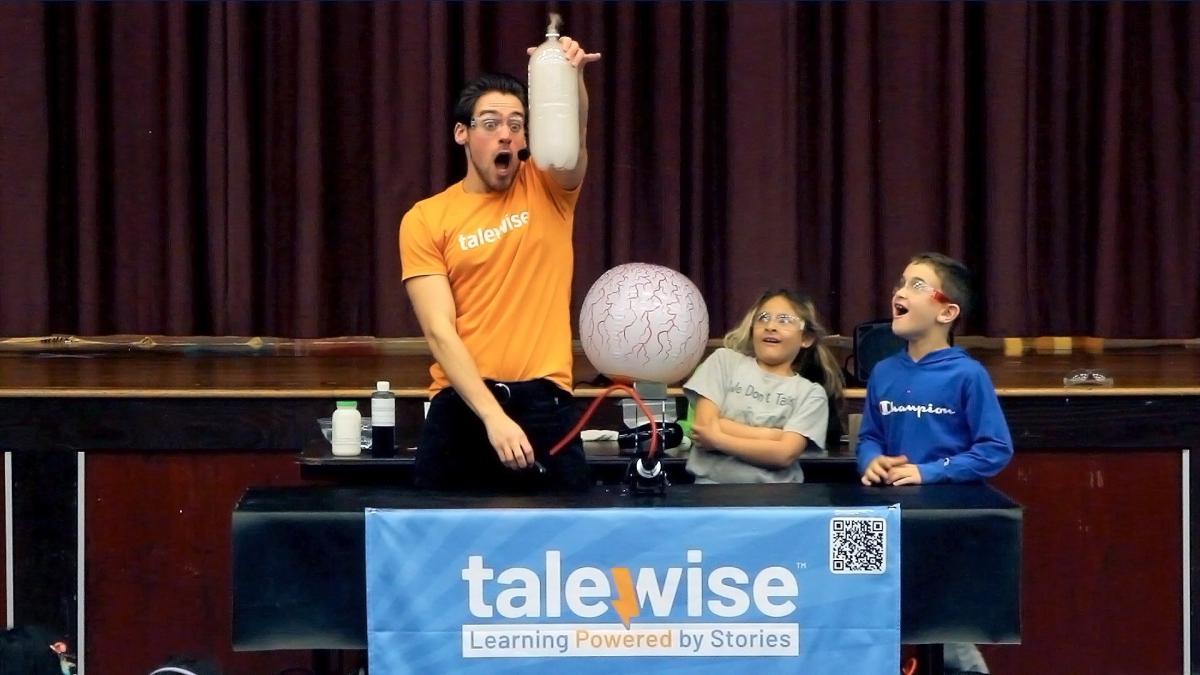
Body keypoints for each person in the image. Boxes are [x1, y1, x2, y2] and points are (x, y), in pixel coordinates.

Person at [399, 37, 601, 491]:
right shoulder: (426, 218)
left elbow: (577, 133)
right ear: (462, 133)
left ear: (528, 136)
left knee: (565, 549)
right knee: (443, 551)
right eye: (490, 124)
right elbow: (439, 331)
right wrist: (492, 416)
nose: (505, 134)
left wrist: (571, 77)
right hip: (463, 406)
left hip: (546, 404)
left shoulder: (548, 186)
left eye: (516, 124)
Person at [856, 252, 1013, 675]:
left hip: (944, 525)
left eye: (918, 285)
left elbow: (995, 448)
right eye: (900, 283)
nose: (900, 292)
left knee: (943, 634)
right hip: (887, 520)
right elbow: (870, 436)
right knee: (881, 621)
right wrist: (870, 461)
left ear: (947, 311)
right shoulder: (884, 372)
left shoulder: (968, 375)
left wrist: (929, 471)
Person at [684, 289, 844, 483]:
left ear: (806, 338)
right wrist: (773, 435)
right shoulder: (723, 362)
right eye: (763, 318)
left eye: (784, 320)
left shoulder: (811, 394)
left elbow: (784, 454)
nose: (770, 326)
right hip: (710, 495)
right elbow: (703, 428)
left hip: (775, 501)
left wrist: (719, 438)